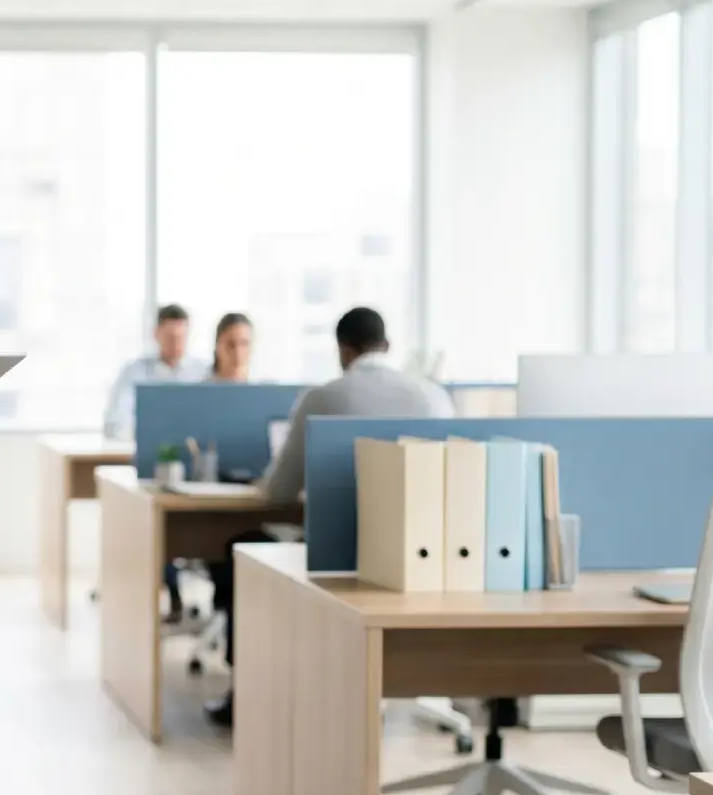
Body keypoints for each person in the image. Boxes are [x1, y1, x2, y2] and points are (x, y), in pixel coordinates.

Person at [203, 307, 453, 727]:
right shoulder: (435, 397)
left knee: (241, 547)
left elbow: (276, 493)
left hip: (341, 557)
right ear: (386, 346)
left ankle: (243, 690)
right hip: (428, 560)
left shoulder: (323, 397)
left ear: (343, 348)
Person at [101, 303, 208, 441]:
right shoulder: (134, 372)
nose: (176, 344)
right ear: (156, 334)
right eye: (170, 337)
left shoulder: (203, 372)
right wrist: (154, 432)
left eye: (181, 337)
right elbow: (113, 424)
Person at [209, 311, 252, 382]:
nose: (238, 352)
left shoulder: (264, 390)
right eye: (231, 344)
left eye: (244, 344)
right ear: (217, 346)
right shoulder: (199, 391)